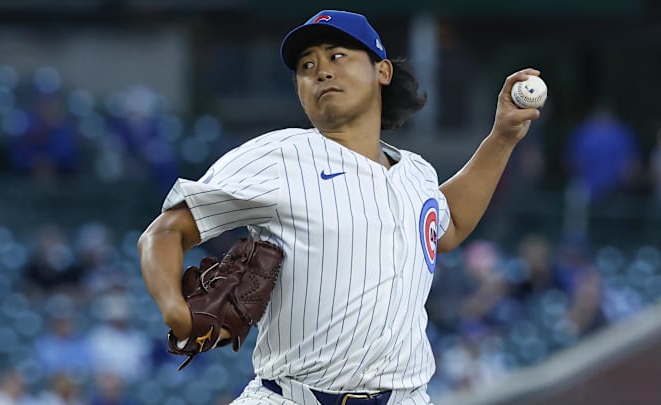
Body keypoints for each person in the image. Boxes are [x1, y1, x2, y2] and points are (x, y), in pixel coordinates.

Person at [138, 9, 542, 405]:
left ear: (381, 72)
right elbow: (166, 231)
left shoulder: (416, 172)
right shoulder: (279, 156)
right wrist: (175, 308)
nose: (321, 71)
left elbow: (448, 227)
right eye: (306, 65)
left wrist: (502, 137)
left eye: (337, 56)